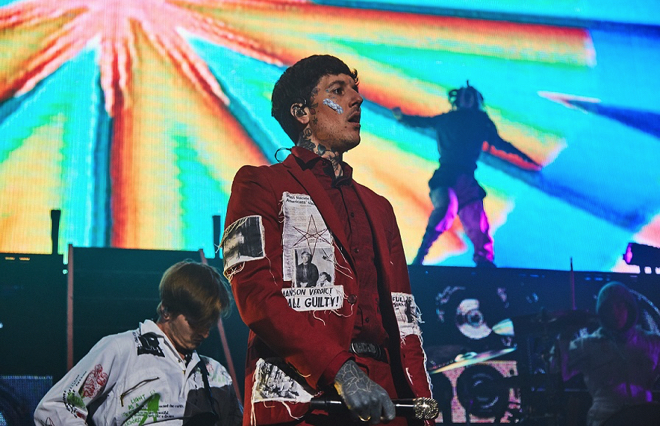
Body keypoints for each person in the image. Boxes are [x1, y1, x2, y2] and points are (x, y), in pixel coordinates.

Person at [221, 55, 433, 426]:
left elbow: (403, 315)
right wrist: (341, 371)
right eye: (338, 90)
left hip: (387, 397)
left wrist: (423, 405)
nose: (357, 99)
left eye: (355, 89)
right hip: (304, 400)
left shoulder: (379, 207)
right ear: (302, 112)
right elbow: (255, 295)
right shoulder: (258, 185)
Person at [34, 260, 243, 426]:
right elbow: (55, 407)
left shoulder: (216, 374)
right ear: (166, 310)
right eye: (195, 323)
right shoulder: (121, 350)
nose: (204, 333)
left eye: (209, 324)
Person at [392, 82, 541, 267]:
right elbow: (423, 122)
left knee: (477, 222)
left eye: (471, 95)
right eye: (465, 95)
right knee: (446, 207)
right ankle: (420, 258)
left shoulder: (481, 122)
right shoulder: (448, 119)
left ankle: (484, 262)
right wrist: (402, 118)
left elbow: (500, 143)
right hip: (446, 176)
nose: (467, 98)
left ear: (476, 100)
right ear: (459, 99)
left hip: (466, 180)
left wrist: (524, 158)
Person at [556, 282, 660, 426]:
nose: (614, 312)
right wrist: (565, 336)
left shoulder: (652, 342)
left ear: (630, 308)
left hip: (644, 418)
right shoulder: (588, 345)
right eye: (608, 308)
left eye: (620, 305)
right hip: (605, 418)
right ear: (601, 312)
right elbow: (559, 372)